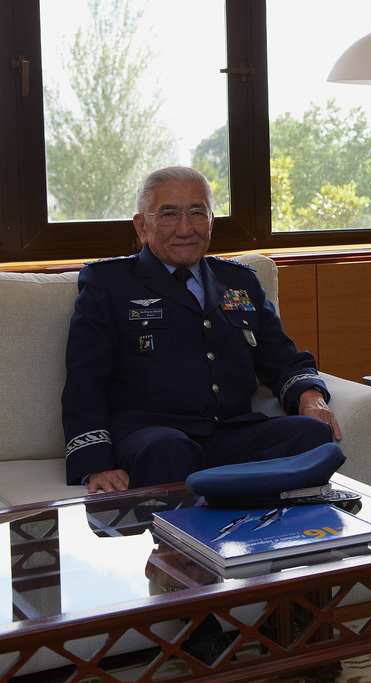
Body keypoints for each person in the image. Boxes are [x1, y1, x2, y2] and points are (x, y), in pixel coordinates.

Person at [62, 166, 341, 494]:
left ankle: (277, 534)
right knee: (169, 450)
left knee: (313, 435)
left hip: (230, 432)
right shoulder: (109, 283)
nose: (184, 228)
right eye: (168, 214)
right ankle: (189, 539)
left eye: (197, 213)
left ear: (211, 222)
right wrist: (96, 464)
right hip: (152, 434)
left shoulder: (240, 282)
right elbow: (85, 378)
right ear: (142, 226)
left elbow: (282, 359)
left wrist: (311, 398)